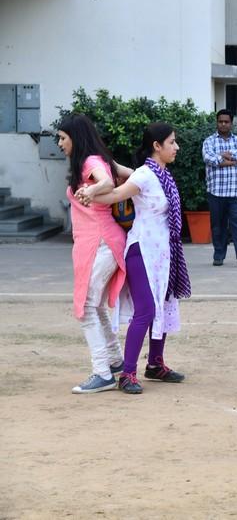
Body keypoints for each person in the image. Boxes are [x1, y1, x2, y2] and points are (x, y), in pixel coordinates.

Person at [83, 122, 191, 394]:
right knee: (146, 310)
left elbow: (117, 173)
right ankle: (127, 373)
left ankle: (155, 364)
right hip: (142, 250)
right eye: (172, 142)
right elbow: (116, 195)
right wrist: (91, 193)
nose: (176, 147)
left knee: (162, 306)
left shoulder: (162, 174)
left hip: (162, 252)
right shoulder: (145, 175)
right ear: (157, 146)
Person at [57, 114, 128, 393]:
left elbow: (107, 183)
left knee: (86, 307)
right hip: (99, 243)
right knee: (94, 306)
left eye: (63, 138)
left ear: (76, 137)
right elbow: (132, 175)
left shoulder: (91, 162)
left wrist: (95, 189)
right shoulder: (98, 160)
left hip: (102, 242)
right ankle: (114, 362)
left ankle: (102, 373)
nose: (60, 143)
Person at [202, 109, 237, 267]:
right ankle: (219, 256)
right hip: (216, 192)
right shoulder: (209, 141)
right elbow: (208, 158)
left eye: (226, 122)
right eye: (220, 121)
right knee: (218, 226)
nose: (223, 124)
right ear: (217, 122)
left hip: (235, 192)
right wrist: (229, 161)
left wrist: (222, 156)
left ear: (231, 123)